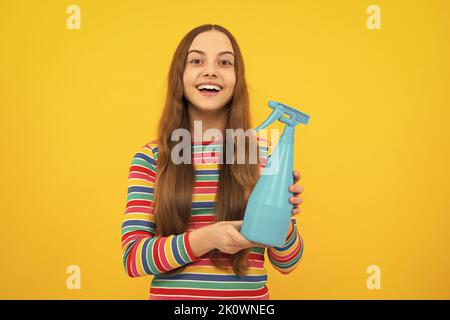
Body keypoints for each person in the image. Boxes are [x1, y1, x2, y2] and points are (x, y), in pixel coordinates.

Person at [121, 24, 305, 300]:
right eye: (196, 61)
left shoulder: (265, 154)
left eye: (224, 62)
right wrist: (209, 238)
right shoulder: (152, 158)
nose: (211, 70)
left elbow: (288, 262)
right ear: (179, 76)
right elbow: (134, 259)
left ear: (236, 78)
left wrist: (283, 218)